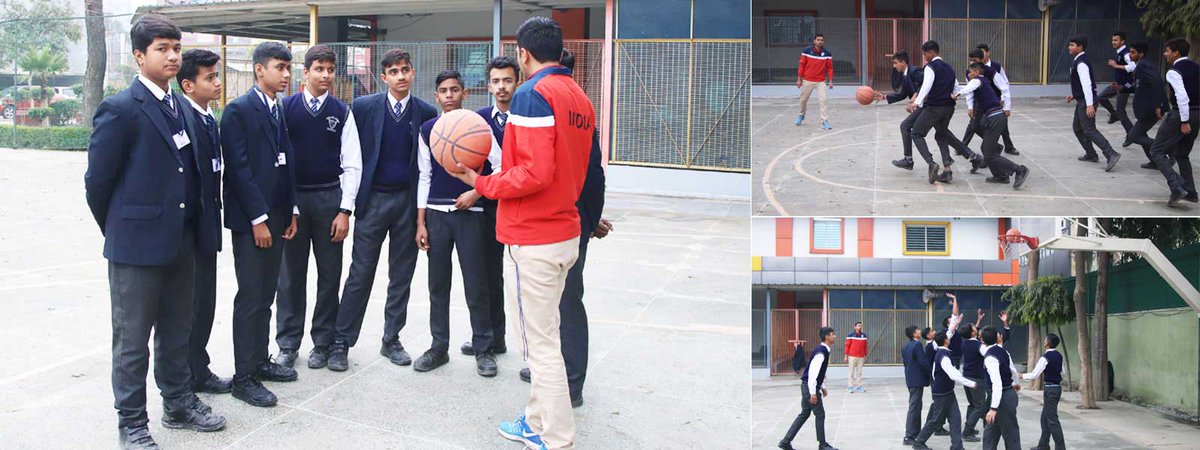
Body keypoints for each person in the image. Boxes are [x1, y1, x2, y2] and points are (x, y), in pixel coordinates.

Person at [448, 17, 594, 450]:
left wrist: (482, 183)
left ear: (523, 54)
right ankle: (535, 420)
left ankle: (557, 437)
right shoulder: (579, 96)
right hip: (565, 230)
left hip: (538, 236)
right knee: (546, 332)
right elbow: (573, 169)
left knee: (540, 346)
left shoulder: (533, 95)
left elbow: (533, 172)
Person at [85, 14, 226, 448]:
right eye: (162, 49)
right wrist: (125, 228)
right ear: (139, 56)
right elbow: (98, 184)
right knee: (132, 342)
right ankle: (131, 423)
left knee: (176, 330)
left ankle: (178, 403)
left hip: (181, 241)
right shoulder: (121, 108)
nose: (172, 56)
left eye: (176, 48)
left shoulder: (180, 106)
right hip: (136, 247)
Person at [512, 49, 611, 408]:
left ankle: (569, 384)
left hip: (559, 225)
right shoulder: (580, 104)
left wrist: (586, 221)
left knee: (563, 304)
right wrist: (589, 220)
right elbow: (593, 174)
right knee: (558, 303)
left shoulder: (547, 102)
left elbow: (583, 174)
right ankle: (559, 374)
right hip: (574, 222)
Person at [332, 49, 437, 371]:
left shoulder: (425, 111)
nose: (401, 76)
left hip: (407, 202)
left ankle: (391, 339)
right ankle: (341, 341)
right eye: (394, 71)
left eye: (405, 69)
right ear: (384, 77)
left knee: (401, 276)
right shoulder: (364, 107)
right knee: (360, 273)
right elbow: (348, 150)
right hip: (374, 200)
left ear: (413, 72)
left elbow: (427, 166)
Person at [222, 41, 300, 407]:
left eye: (288, 68)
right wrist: (259, 219)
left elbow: (286, 163)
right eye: (279, 67)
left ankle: (259, 360)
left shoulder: (277, 108)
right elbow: (240, 171)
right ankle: (243, 377)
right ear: (258, 70)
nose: (286, 75)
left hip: (278, 220)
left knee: (267, 296)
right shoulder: (238, 111)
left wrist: (291, 211)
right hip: (254, 224)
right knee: (251, 298)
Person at [275, 44, 363, 370]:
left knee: (329, 276)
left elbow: (353, 165)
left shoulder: (342, 112)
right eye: (319, 69)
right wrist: (286, 205)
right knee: (290, 276)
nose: (325, 75)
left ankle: (323, 343)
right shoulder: (285, 108)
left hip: (329, 200)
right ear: (306, 72)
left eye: (330, 69)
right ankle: (287, 343)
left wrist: (345, 210)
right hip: (295, 200)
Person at [415, 69, 502, 376]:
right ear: (436, 96)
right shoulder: (428, 129)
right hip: (437, 216)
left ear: (464, 94)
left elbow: (500, 168)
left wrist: (476, 192)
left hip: (471, 215)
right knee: (437, 285)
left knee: (476, 285)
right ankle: (439, 347)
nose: (449, 95)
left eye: (454, 89)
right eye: (443, 90)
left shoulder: (480, 127)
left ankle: (484, 348)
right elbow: (424, 177)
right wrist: (420, 222)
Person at [177, 48, 232, 397]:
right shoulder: (184, 120)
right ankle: (182, 379)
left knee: (205, 305)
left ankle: (199, 368)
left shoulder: (210, 117)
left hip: (208, 227)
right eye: (210, 77)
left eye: (217, 75)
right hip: (188, 232)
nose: (217, 82)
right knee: (186, 309)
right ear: (188, 85)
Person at [463, 55, 521, 357]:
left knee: (520, 281)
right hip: (486, 208)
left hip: (521, 207)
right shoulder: (477, 120)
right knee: (486, 276)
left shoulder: (528, 115)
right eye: (496, 81)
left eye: (507, 80)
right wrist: (476, 192)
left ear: (517, 82)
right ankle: (489, 338)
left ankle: (525, 345)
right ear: (488, 86)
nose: (502, 87)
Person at [909, 40, 980, 184]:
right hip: (949, 107)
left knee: (916, 133)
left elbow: (926, 85)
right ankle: (949, 169)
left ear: (932, 52)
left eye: (925, 54)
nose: (924, 57)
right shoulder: (949, 68)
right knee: (941, 134)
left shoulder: (930, 67)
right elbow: (955, 87)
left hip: (934, 107)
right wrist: (955, 97)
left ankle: (931, 163)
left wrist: (917, 102)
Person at [955, 61, 1029, 188]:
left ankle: (1019, 170)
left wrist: (956, 95)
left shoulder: (978, 80)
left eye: (971, 71)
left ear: (977, 72)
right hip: (994, 118)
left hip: (996, 118)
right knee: (986, 149)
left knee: (989, 154)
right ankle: (1001, 175)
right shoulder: (981, 83)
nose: (969, 74)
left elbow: (967, 89)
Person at [1149, 38, 1199, 207]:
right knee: (1181, 154)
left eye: (1167, 51)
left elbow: (1182, 97)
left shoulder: (1174, 71)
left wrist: (1184, 121)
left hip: (1181, 115)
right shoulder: (1197, 68)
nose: (1165, 54)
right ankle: (1191, 191)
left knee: (1156, 151)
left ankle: (1177, 186)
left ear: (1176, 52)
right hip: (1197, 113)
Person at [911, 331, 979, 450]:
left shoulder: (942, 353)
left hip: (948, 392)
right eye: (948, 338)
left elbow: (937, 372)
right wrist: (971, 383)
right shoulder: (943, 356)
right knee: (935, 420)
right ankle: (918, 442)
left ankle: (957, 446)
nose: (949, 338)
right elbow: (953, 375)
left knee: (955, 419)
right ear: (946, 341)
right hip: (942, 394)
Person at [1109, 42, 1170, 168]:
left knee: (1134, 136)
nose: (1130, 55)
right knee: (1141, 135)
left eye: (1133, 53)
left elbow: (1157, 83)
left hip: (1151, 109)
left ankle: (1168, 149)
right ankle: (1156, 161)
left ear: (1141, 54)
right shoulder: (1140, 65)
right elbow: (1137, 86)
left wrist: (1159, 105)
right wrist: (1121, 87)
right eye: (1130, 52)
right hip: (1146, 109)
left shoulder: (1143, 65)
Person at [778, 327, 839, 450]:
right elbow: (812, 373)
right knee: (820, 414)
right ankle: (822, 445)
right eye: (833, 334)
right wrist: (813, 393)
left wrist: (822, 386)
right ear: (827, 337)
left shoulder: (823, 350)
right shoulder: (821, 352)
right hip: (809, 387)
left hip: (807, 386)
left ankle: (785, 442)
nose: (835, 336)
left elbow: (818, 373)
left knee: (804, 413)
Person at [1066, 35, 1121, 171]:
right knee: (1078, 128)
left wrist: (1090, 104)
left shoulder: (1082, 63)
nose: (1069, 47)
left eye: (1072, 45)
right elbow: (1081, 84)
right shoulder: (1078, 61)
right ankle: (1091, 154)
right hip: (1082, 100)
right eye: (1070, 45)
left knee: (1089, 130)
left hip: (1086, 102)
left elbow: (1087, 84)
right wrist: (1075, 95)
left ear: (1080, 47)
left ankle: (1111, 154)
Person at [966, 44, 1018, 155]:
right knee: (975, 126)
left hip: (995, 102)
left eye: (974, 60)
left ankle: (1005, 147)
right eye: (970, 60)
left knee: (1001, 125)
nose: (971, 63)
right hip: (979, 102)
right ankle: (994, 145)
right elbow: (969, 90)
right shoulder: (970, 73)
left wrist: (1006, 105)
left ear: (982, 59)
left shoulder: (994, 69)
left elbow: (1005, 86)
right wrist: (970, 107)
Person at [877, 51, 925, 170]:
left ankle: (910, 160)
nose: (894, 66)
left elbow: (927, 83)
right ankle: (972, 156)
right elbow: (902, 94)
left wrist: (917, 95)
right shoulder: (905, 75)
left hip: (929, 106)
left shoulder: (915, 71)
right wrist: (885, 97)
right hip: (924, 106)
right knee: (942, 134)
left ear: (903, 62)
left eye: (895, 63)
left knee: (906, 127)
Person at [981, 326, 1023, 450]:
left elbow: (997, 384)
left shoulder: (990, 358)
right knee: (989, 434)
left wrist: (993, 408)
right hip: (1004, 395)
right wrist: (1015, 382)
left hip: (1002, 398)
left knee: (1011, 436)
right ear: (998, 337)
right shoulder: (1003, 351)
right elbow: (1013, 370)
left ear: (982, 339)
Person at [1022, 334, 1066, 450]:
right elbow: (1063, 372)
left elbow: (1034, 374)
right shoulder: (1059, 356)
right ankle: (1043, 445)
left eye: (1046, 339)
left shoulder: (1045, 357)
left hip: (1050, 389)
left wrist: (1021, 375)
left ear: (1047, 343)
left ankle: (1060, 447)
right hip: (1056, 388)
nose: (1044, 340)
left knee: (1052, 420)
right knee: (1045, 417)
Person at [1097, 31, 1135, 133]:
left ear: (1122, 41)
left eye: (1115, 40)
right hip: (1117, 84)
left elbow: (1133, 66)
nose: (1113, 42)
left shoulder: (1126, 53)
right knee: (1100, 97)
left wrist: (1115, 65)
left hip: (1124, 86)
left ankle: (1131, 135)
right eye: (1112, 40)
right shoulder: (1119, 52)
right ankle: (1114, 115)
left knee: (1121, 112)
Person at [795, 33, 834, 129]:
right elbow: (802, 65)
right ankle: (801, 115)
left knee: (823, 100)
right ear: (814, 41)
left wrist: (831, 80)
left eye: (822, 40)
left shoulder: (827, 53)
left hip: (820, 81)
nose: (820, 41)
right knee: (803, 100)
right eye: (818, 40)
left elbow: (830, 68)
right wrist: (799, 79)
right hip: (807, 80)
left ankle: (824, 121)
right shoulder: (806, 51)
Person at [955, 322, 986, 443]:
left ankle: (970, 428)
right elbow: (987, 354)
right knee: (980, 406)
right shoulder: (978, 345)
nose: (976, 328)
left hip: (967, 376)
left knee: (972, 404)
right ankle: (967, 431)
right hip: (976, 377)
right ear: (972, 332)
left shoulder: (965, 343)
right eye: (974, 327)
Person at [901, 325, 931, 446]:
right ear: (914, 334)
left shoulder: (905, 346)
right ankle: (909, 436)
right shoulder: (917, 345)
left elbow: (906, 363)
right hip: (916, 380)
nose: (920, 331)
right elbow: (923, 362)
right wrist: (931, 374)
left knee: (916, 406)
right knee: (914, 407)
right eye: (918, 330)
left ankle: (915, 432)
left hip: (910, 379)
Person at [844, 321, 868, 393]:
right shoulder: (850, 335)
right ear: (855, 327)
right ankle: (850, 386)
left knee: (859, 373)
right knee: (851, 372)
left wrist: (865, 355)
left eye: (860, 326)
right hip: (852, 356)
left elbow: (865, 347)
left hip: (861, 357)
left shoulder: (864, 336)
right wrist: (846, 356)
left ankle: (859, 386)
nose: (859, 327)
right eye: (858, 325)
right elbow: (847, 346)